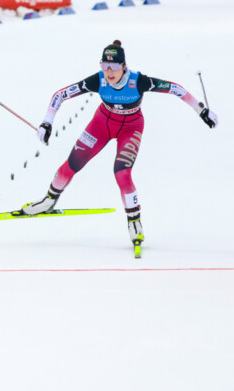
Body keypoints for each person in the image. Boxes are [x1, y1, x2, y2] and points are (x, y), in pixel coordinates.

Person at [21, 40, 219, 256]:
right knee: (71, 165)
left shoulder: (138, 81)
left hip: (131, 128)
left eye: (114, 66)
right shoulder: (98, 80)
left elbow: (175, 89)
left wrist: (201, 111)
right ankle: (48, 200)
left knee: (122, 174)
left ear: (124, 66)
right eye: (104, 66)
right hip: (101, 124)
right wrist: (47, 121)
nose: (109, 72)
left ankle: (134, 221)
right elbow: (60, 94)